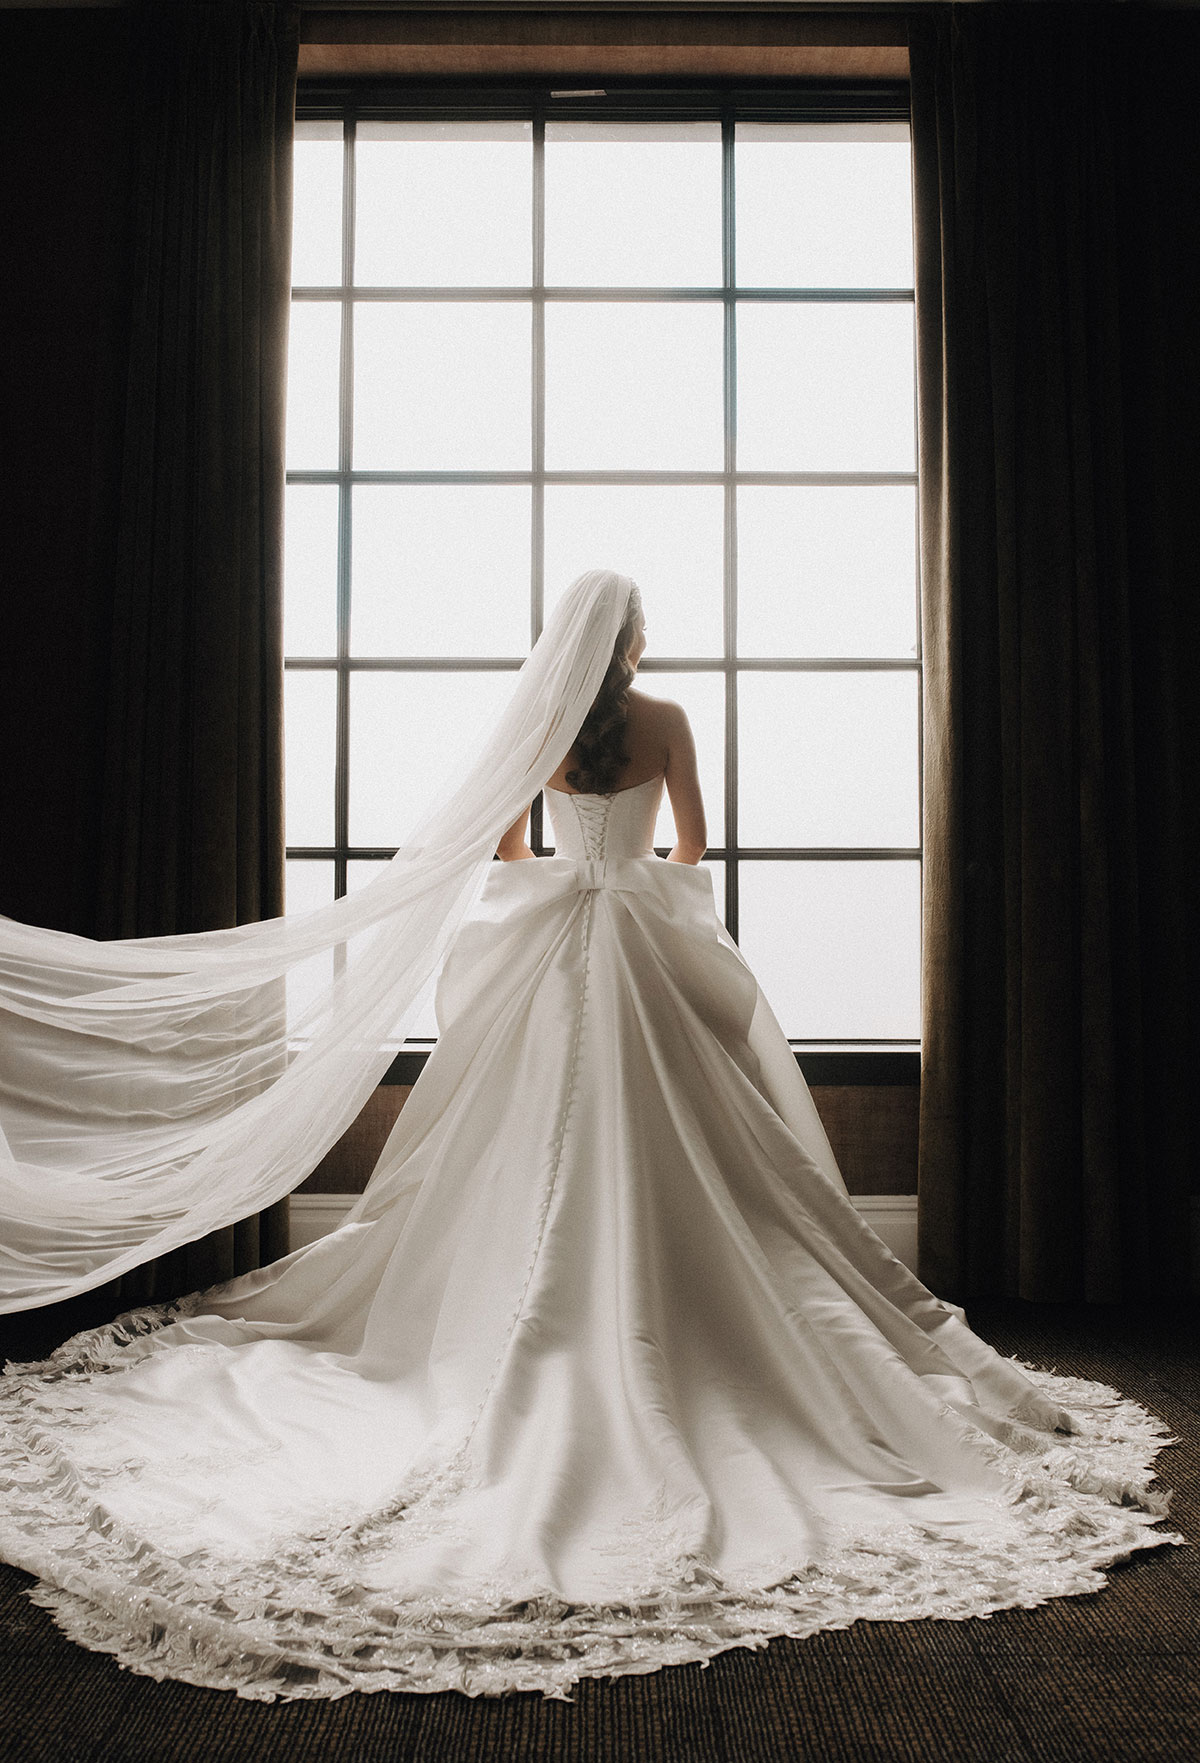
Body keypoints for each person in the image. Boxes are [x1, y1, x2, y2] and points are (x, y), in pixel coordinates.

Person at [0, 572, 1178, 1703]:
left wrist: (569, 876)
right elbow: (694, 849)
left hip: (555, 952)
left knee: (512, 1143)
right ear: (633, 640)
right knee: (715, 1155)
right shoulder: (665, 716)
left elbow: (510, 853)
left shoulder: (540, 722)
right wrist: (636, 881)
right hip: (642, 955)